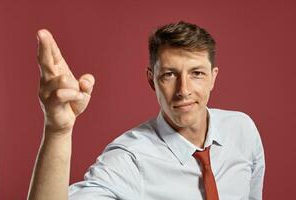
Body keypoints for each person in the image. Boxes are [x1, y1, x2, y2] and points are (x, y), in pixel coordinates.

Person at [27, 21, 265, 200]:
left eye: (197, 74)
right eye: (170, 75)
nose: (184, 90)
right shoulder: (131, 158)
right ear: (152, 80)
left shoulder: (242, 129)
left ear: (213, 78)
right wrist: (57, 130)